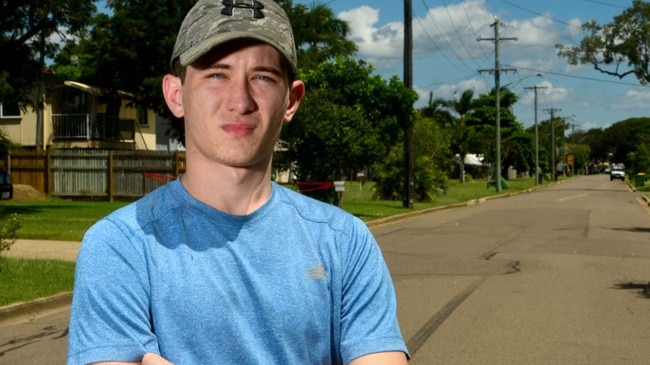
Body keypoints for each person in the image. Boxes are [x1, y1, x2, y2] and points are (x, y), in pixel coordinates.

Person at [67, 0, 409, 364]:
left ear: (291, 100)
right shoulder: (121, 245)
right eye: (217, 74)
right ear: (175, 94)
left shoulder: (343, 241)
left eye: (263, 77)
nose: (240, 100)